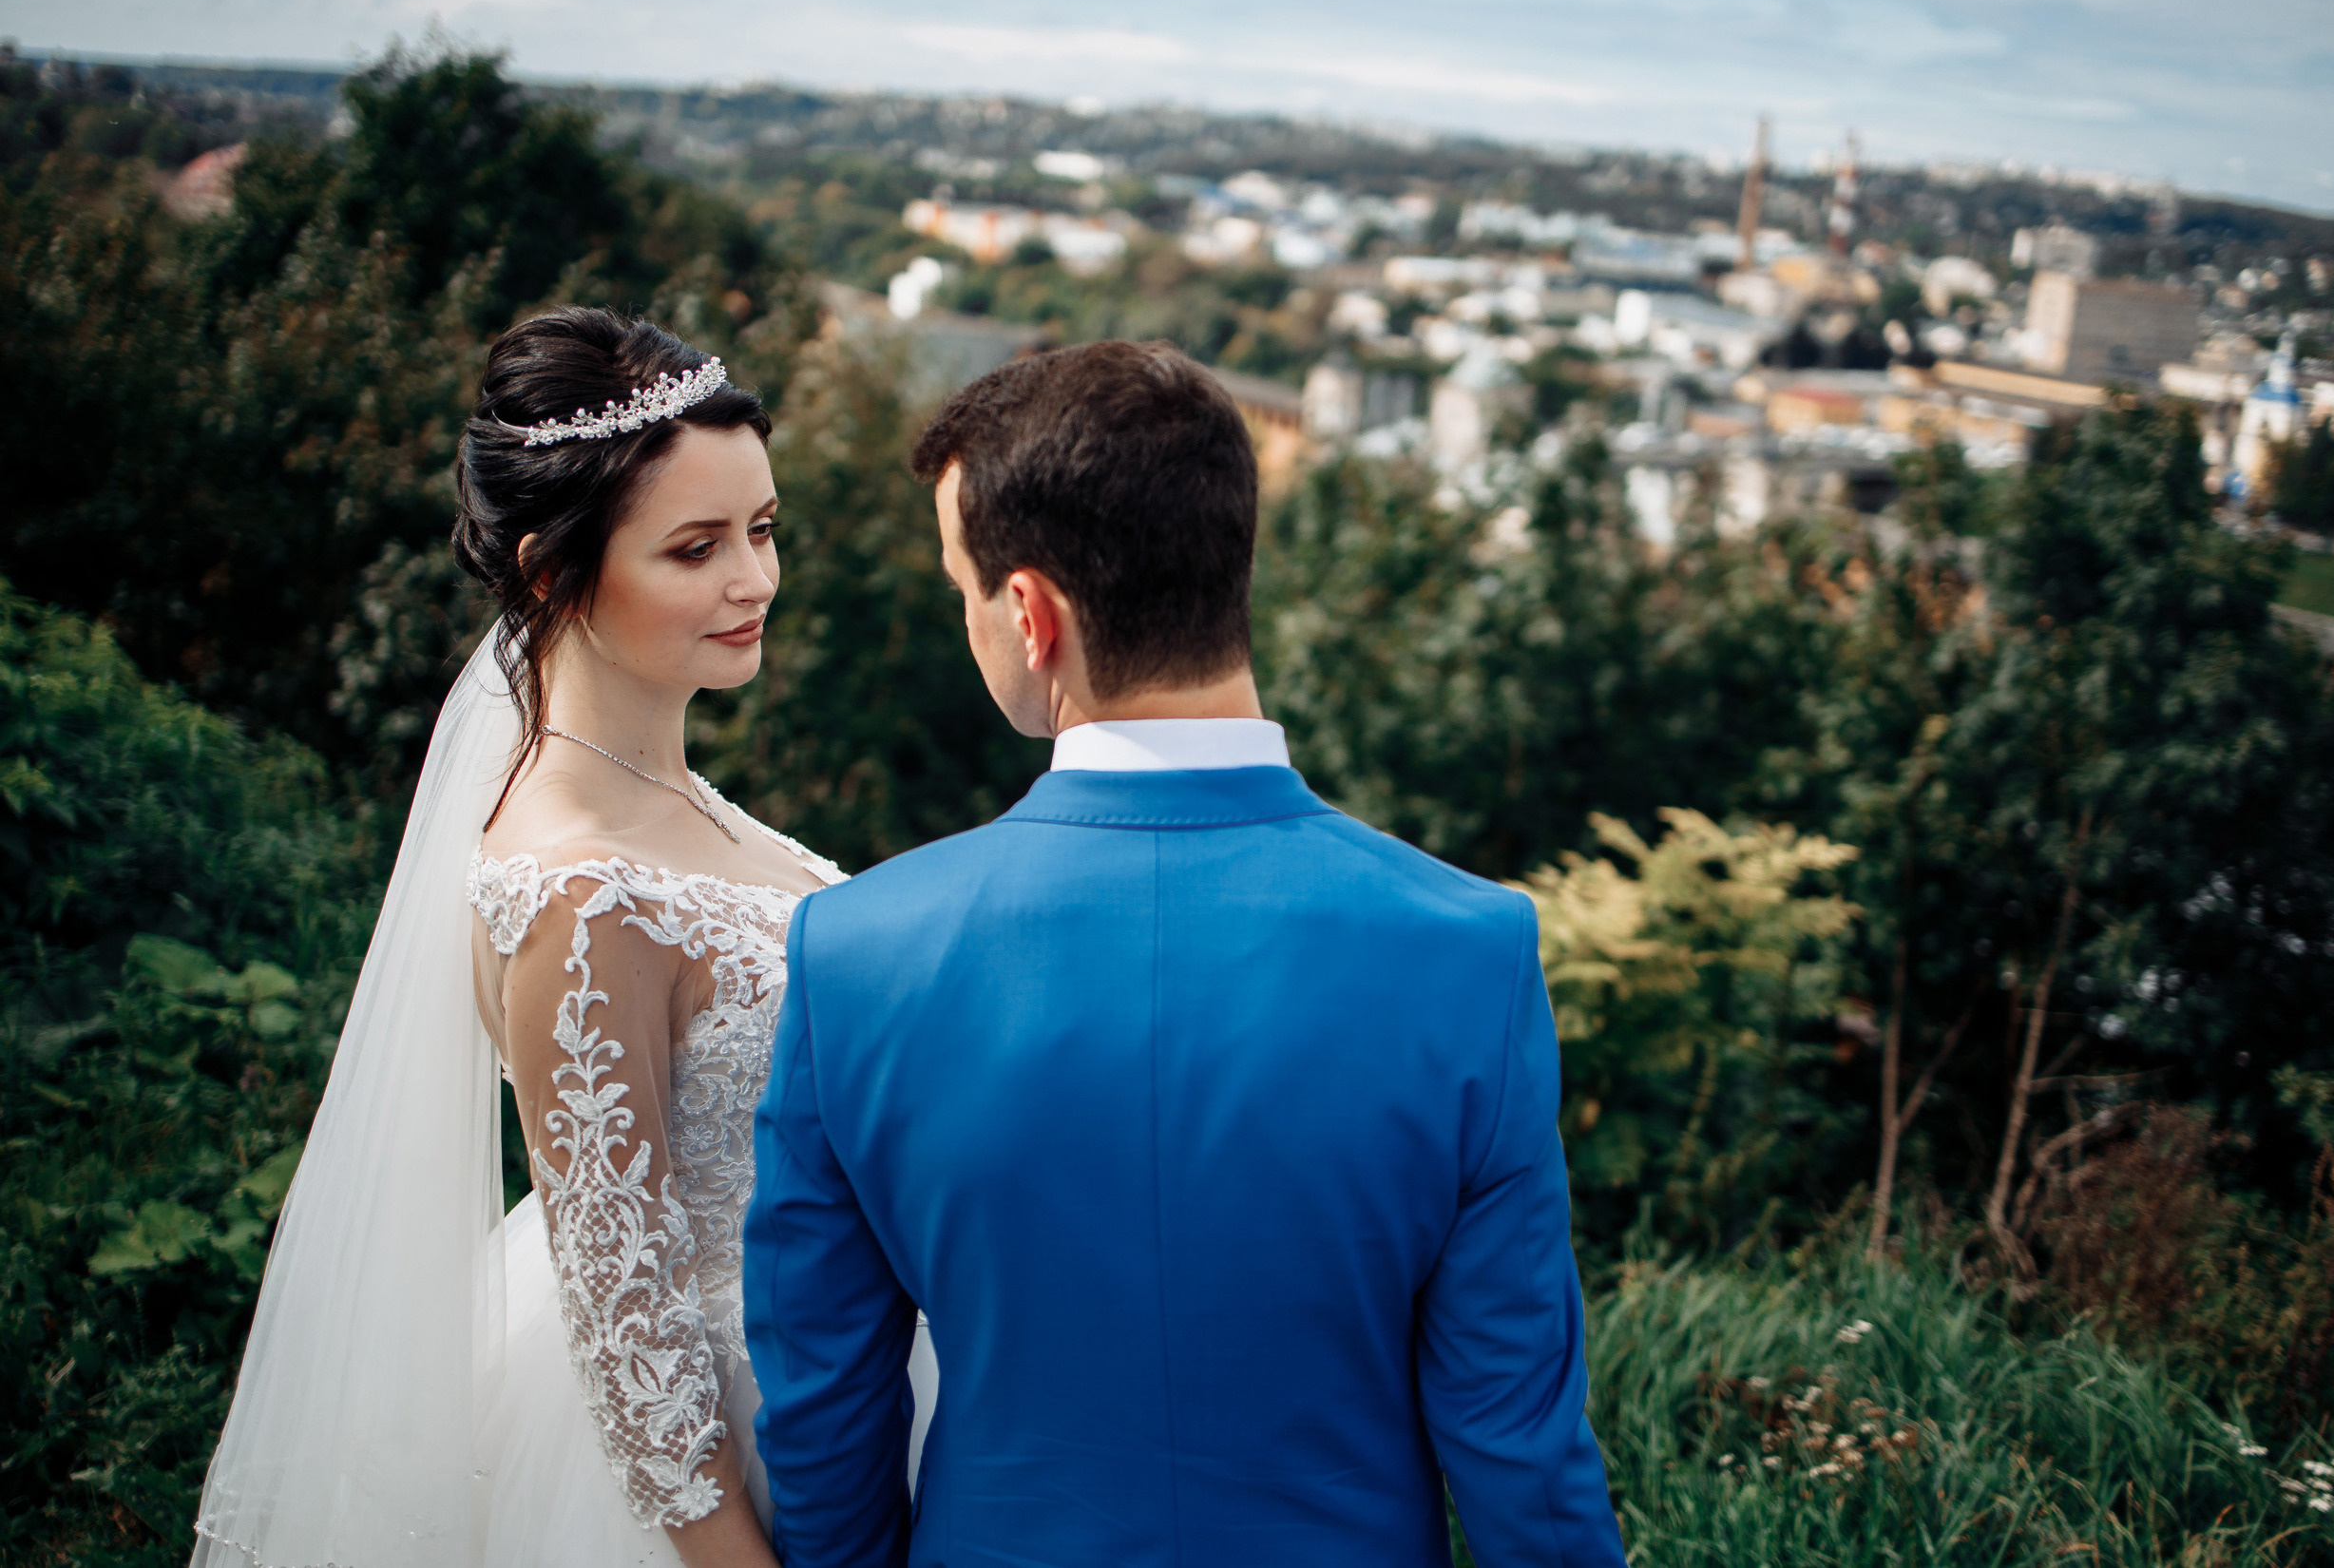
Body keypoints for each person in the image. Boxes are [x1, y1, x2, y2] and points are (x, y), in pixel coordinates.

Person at [744, 340, 1629, 1567]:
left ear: (1029, 613)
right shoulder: (1470, 952)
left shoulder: (855, 956)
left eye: (962, 588)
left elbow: (829, 1419)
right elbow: (1522, 1452)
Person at [191, 307, 932, 1568]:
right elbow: (626, 1312)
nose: (754, 580)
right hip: (701, 1458)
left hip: (831, 1362)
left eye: (762, 530)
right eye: (696, 549)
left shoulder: (675, 802)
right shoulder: (576, 891)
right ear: (550, 571)